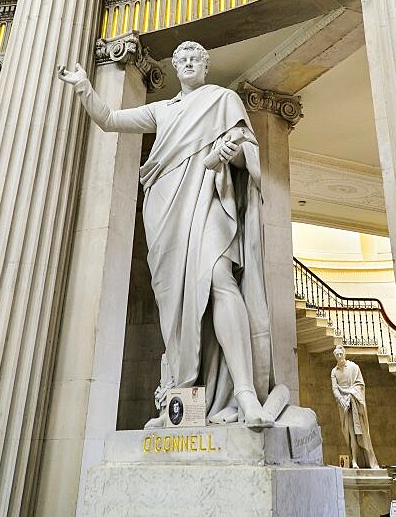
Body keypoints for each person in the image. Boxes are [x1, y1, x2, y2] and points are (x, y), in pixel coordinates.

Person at [58, 41, 275, 429]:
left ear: (205, 66)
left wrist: (231, 154)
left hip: (210, 197)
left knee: (220, 278)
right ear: (176, 68)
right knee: (175, 306)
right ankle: (184, 402)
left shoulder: (222, 100)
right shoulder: (163, 110)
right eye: (183, 59)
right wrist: (82, 87)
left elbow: (248, 153)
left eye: (196, 58)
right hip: (165, 210)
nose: (189, 62)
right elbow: (109, 119)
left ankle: (245, 395)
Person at [331, 343, 379, 468]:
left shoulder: (353, 367)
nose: (339, 356)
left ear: (344, 354)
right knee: (349, 432)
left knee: (360, 432)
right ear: (335, 356)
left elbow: (360, 385)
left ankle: (358, 460)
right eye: (337, 355)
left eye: (341, 354)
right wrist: (341, 399)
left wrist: (350, 395)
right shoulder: (334, 372)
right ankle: (354, 459)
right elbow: (335, 388)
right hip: (344, 406)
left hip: (355, 402)